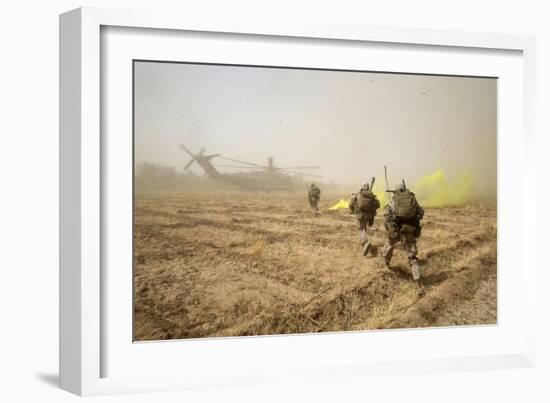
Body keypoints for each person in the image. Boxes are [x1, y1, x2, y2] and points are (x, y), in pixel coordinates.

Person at [382, 183, 425, 294]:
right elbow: (421, 212)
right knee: (412, 257)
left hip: (397, 231)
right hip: (409, 231)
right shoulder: (412, 200)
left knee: (389, 246)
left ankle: (386, 264)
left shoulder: (393, 202)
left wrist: (390, 229)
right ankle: (419, 284)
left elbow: (386, 218)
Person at [348, 182, 380, 256]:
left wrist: (352, 210)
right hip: (369, 216)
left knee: (361, 229)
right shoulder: (372, 195)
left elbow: (350, 204)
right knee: (363, 228)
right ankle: (364, 243)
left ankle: (366, 242)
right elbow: (378, 205)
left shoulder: (358, 194)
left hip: (360, 215)